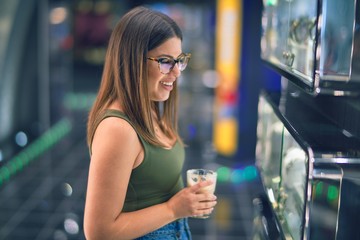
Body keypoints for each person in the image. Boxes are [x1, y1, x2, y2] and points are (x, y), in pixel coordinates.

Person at [84, 6, 217, 240]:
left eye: (179, 60)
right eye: (165, 61)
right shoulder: (118, 129)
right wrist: (174, 209)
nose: (176, 72)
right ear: (133, 61)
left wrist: (185, 201)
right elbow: (98, 232)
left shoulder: (150, 107)